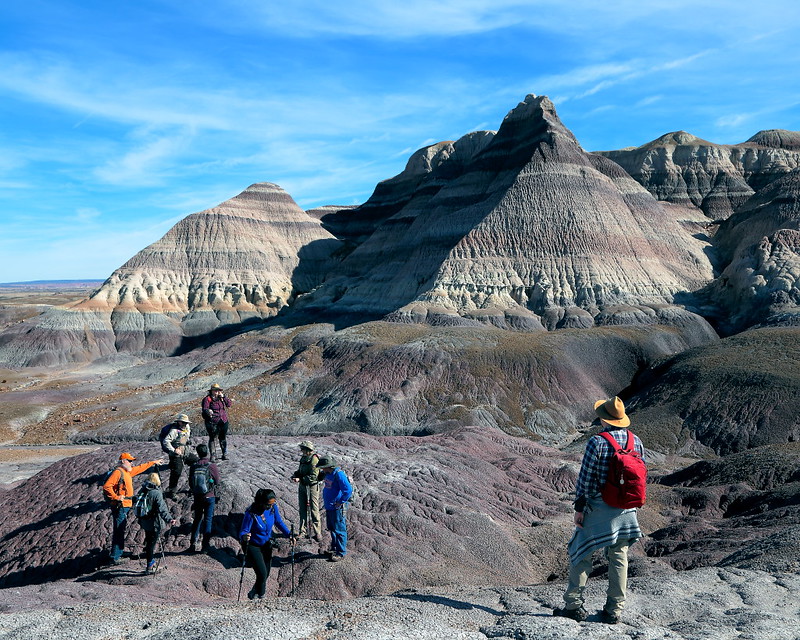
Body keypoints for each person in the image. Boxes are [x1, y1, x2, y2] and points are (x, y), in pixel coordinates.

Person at [553, 396, 645, 625]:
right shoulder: (636, 441)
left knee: (580, 550)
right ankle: (614, 610)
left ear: (605, 419)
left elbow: (585, 479)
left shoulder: (597, 442)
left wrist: (579, 508)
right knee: (619, 556)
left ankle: (573, 605)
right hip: (626, 508)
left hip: (599, 506)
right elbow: (642, 475)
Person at [102, 452, 163, 565]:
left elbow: (140, 468)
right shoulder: (118, 472)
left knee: (121, 529)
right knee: (119, 530)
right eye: (130, 461)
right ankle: (115, 557)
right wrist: (116, 497)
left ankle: (118, 553)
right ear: (123, 461)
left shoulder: (126, 472)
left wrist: (153, 462)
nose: (131, 463)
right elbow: (107, 486)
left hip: (125, 505)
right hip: (120, 506)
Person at [239, 488, 294, 600]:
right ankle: (261, 596)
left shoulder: (273, 508)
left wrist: (289, 534)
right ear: (261, 502)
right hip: (252, 545)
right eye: (268, 504)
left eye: (273, 503)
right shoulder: (251, 513)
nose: (271, 506)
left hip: (266, 544)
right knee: (262, 573)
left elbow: (278, 522)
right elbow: (243, 531)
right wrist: (244, 536)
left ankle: (253, 594)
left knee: (266, 573)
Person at [136, 472, 176, 574]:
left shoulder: (143, 490)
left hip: (145, 522)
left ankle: (150, 563)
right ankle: (150, 566)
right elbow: (162, 509)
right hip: (155, 523)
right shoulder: (156, 493)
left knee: (149, 542)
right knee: (151, 544)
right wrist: (169, 519)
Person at [318, 456, 353, 562]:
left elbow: (348, 490)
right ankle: (334, 549)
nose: (321, 469)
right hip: (330, 506)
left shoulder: (339, 474)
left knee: (339, 530)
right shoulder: (328, 474)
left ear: (328, 466)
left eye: (323, 467)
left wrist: (340, 502)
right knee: (332, 528)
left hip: (337, 508)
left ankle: (341, 552)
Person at [188, 443, 221, 553]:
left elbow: (191, 483)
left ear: (197, 453)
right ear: (207, 452)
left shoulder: (194, 466)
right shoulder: (211, 465)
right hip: (209, 496)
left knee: (197, 519)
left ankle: (192, 543)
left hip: (198, 497)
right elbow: (217, 481)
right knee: (208, 520)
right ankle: (205, 547)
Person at [290, 440, 322, 541]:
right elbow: (300, 470)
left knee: (314, 509)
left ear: (308, 449)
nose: (301, 450)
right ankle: (302, 531)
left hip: (312, 487)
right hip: (303, 486)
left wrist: (300, 479)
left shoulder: (314, 459)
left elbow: (314, 476)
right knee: (302, 509)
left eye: (302, 448)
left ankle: (317, 532)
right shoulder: (304, 458)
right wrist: (296, 475)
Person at [161, 414, 192, 499]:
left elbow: (187, 436)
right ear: (179, 422)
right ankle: (172, 491)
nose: (185, 424)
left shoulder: (187, 427)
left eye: (186, 422)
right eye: (183, 422)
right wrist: (174, 450)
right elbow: (166, 441)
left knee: (196, 462)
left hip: (185, 451)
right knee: (177, 472)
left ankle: (193, 485)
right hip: (176, 454)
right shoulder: (174, 431)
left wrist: (188, 441)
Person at [202, 383, 233, 460]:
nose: (216, 392)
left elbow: (229, 404)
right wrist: (208, 411)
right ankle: (213, 455)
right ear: (211, 391)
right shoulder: (207, 399)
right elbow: (204, 408)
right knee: (212, 438)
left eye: (218, 390)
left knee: (222, 438)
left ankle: (224, 453)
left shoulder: (221, 398)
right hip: (213, 422)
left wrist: (224, 397)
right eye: (215, 390)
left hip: (223, 420)